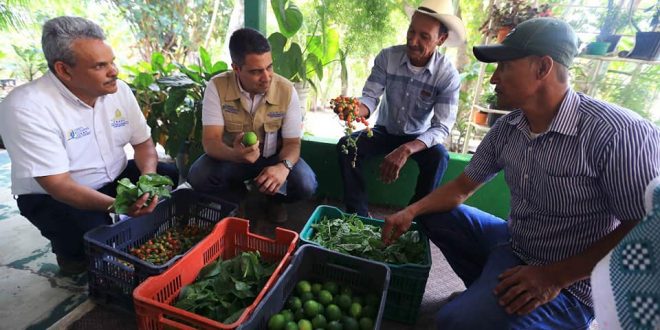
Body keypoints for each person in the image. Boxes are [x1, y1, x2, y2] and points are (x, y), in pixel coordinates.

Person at [381, 17, 660, 329]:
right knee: (432, 214)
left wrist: (553, 277)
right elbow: (461, 187)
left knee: (451, 323)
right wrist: (410, 211)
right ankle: (487, 297)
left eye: (504, 67)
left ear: (542, 68)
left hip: (571, 284)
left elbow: (647, 227)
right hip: (515, 243)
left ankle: (501, 308)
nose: (493, 80)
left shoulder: (617, 133)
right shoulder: (508, 128)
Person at [0, 16, 179, 275]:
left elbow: (143, 145)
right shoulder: (26, 107)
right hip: (54, 196)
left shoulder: (119, 91)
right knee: (93, 234)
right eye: (100, 66)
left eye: (112, 62)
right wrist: (117, 206)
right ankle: (72, 255)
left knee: (167, 176)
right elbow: (59, 186)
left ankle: (115, 229)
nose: (114, 71)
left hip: (113, 176)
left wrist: (148, 180)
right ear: (64, 70)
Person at [336, 0, 465, 217]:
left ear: (440, 40)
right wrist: (357, 110)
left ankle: (414, 216)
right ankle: (357, 214)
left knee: (439, 157)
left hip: (418, 138)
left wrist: (406, 149)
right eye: (411, 31)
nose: (413, 41)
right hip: (385, 132)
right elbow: (369, 97)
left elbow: (442, 127)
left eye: (424, 36)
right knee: (346, 146)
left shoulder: (447, 75)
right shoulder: (388, 57)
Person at [186, 28, 317, 224]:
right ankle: (237, 199)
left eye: (269, 67)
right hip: (233, 159)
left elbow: (292, 144)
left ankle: (274, 200)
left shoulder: (287, 90)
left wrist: (284, 167)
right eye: (256, 71)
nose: (266, 77)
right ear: (236, 69)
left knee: (306, 183)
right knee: (198, 175)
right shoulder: (217, 87)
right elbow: (211, 141)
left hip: (273, 159)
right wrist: (234, 154)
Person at [591, 176, 660, 329]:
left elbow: (637, 221)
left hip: (576, 285)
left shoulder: (615, 151)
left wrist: (555, 278)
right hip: (531, 260)